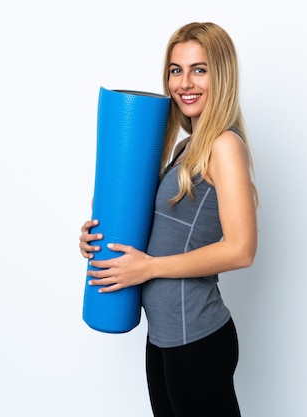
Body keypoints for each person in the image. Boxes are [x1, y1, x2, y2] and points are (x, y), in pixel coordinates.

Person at [79, 21, 258, 417]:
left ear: (221, 75)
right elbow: (162, 228)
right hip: (163, 337)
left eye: (199, 69)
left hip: (196, 338)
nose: (184, 82)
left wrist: (148, 268)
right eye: (176, 70)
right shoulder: (186, 146)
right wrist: (96, 239)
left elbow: (242, 249)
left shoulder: (224, 146)